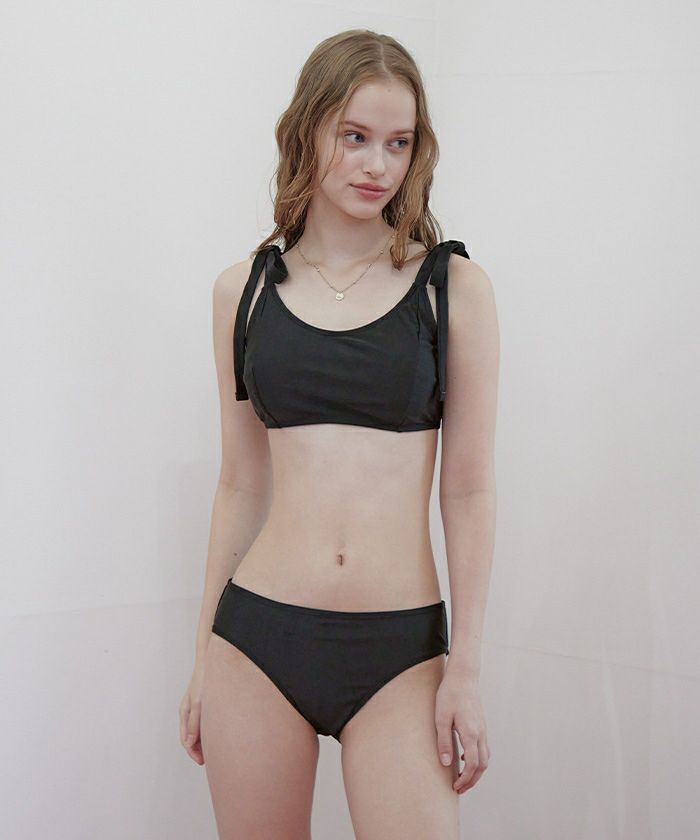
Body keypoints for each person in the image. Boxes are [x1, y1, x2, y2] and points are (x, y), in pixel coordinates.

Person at [179, 28, 499, 840]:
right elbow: (240, 483)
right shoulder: (242, 294)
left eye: (398, 143)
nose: (376, 165)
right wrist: (202, 660)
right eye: (353, 136)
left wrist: (465, 668)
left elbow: (467, 490)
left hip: (401, 652)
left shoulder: (452, 289)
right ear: (307, 130)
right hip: (256, 641)